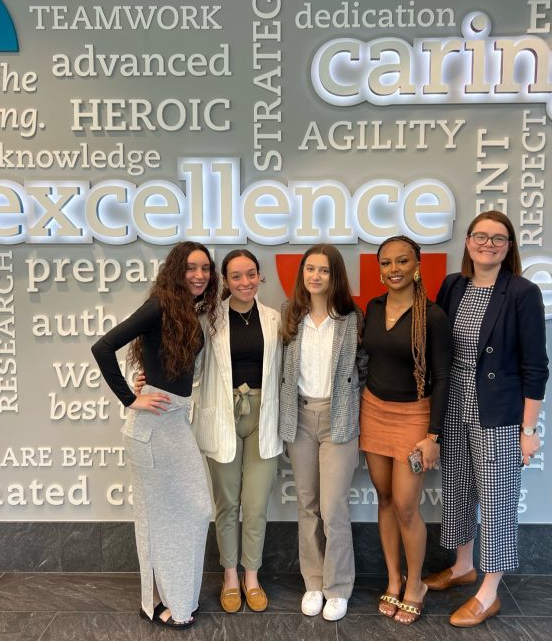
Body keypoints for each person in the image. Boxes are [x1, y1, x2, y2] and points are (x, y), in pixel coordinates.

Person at [426, 210, 549, 627]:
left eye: (499, 239)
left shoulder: (522, 292)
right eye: (481, 236)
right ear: (468, 242)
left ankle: (489, 590)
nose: (489, 244)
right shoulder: (453, 285)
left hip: (497, 412)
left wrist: (528, 431)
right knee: (458, 488)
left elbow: (536, 367)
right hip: (455, 406)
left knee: (496, 502)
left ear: (509, 247)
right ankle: (463, 567)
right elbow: (438, 347)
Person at [91, 241, 219, 630]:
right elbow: (103, 347)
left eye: (205, 269)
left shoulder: (185, 310)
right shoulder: (160, 305)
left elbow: (166, 360)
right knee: (153, 516)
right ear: (176, 270)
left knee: (195, 509)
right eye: (191, 268)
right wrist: (132, 398)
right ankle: (153, 601)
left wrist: (151, 378)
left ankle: (176, 594)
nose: (199, 275)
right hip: (150, 427)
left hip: (173, 420)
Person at [179, 250, 283, 613]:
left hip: (263, 417)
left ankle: (251, 576)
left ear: (260, 276)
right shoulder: (208, 318)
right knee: (227, 505)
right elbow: (187, 367)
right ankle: (230, 578)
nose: (244, 282)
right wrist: (149, 380)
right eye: (236, 276)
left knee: (254, 505)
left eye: (250, 274)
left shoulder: (274, 319)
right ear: (225, 280)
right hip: (223, 415)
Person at [359, 235, 452, 625]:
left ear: (417, 265)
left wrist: (433, 436)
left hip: (414, 417)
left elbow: (445, 377)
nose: (393, 270)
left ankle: (416, 584)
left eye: (401, 262)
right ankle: (393, 580)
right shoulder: (373, 307)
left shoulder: (432, 316)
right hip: (373, 411)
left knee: (406, 506)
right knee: (383, 498)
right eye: (386, 263)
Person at [279, 244, 367, 622]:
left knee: (333, 508)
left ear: (336, 276)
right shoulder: (290, 315)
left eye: (324, 270)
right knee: (307, 504)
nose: (315, 276)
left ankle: (339, 586)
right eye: (310, 269)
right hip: (299, 417)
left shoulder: (351, 318)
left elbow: (363, 368)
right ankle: (313, 582)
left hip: (339, 419)